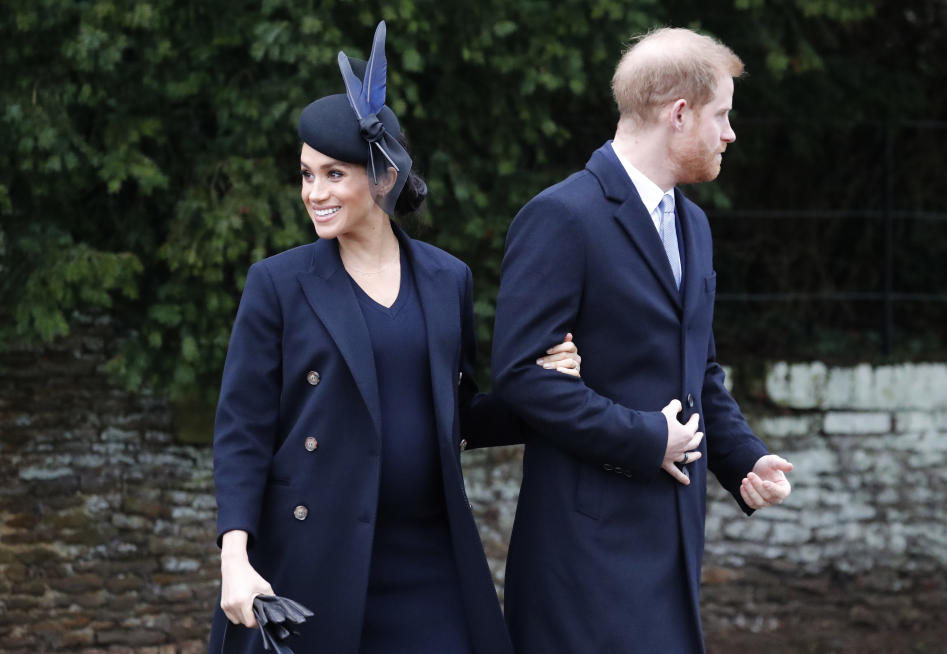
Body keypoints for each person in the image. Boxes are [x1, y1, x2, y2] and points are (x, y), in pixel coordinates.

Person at [207, 22, 581, 654]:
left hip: (429, 559)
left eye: (333, 175)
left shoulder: (446, 279)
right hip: (310, 560)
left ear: (381, 179)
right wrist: (234, 558)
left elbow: (455, 417)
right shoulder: (277, 284)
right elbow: (242, 430)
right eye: (306, 176)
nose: (314, 194)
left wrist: (537, 390)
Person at [490, 27, 794, 654]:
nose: (730, 134)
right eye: (722, 115)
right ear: (678, 113)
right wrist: (646, 438)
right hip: (583, 554)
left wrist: (743, 461)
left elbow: (699, 369)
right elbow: (521, 377)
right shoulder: (561, 216)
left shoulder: (696, 224)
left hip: (671, 547)